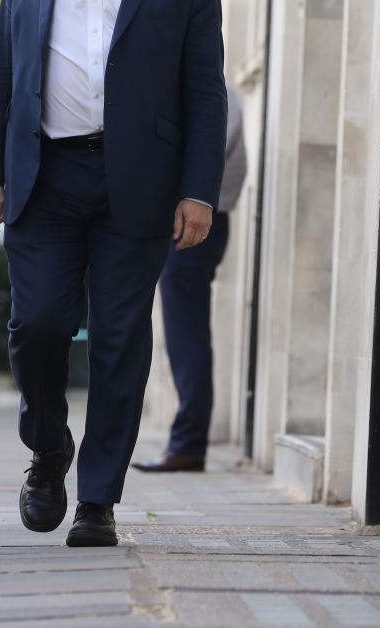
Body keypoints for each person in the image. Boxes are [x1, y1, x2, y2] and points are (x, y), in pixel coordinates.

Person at [0, 0, 227, 548]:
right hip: (44, 177)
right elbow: (3, 71)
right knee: (40, 324)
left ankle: (98, 500)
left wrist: (198, 190)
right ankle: (49, 447)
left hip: (137, 186)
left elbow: (205, 91)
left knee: (119, 338)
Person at [132, 87, 247, 474]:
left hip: (197, 222)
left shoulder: (218, 94)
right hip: (188, 221)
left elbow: (210, 152)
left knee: (186, 334)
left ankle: (189, 443)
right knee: (183, 333)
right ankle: (187, 442)